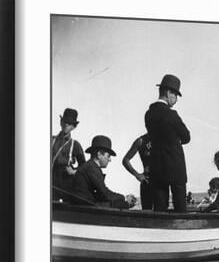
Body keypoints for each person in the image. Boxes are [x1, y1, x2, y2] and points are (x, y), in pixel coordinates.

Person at [145, 74, 191, 212]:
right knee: (180, 208)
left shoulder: (148, 114)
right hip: (175, 166)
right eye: (175, 95)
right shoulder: (172, 115)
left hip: (157, 166)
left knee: (159, 208)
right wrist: (175, 140)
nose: (176, 99)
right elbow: (187, 137)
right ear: (168, 92)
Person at [71, 135, 136, 209]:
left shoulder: (90, 166)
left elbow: (101, 194)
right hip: (83, 207)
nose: (110, 160)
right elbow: (105, 194)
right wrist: (124, 198)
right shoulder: (92, 168)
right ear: (99, 154)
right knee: (122, 204)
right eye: (108, 156)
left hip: (83, 204)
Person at [51, 108, 86, 200]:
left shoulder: (75, 145)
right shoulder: (50, 140)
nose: (66, 124)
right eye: (65, 121)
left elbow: (84, 167)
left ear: (74, 127)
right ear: (61, 122)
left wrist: (74, 171)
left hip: (65, 185)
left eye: (70, 123)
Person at [122, 133, 153, 209]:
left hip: (162, 184)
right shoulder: (141, 141)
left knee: (162, 212)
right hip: (147, 182)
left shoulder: (165, 138)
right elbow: (125, 160)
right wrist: (137, 174)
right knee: (147, 213)